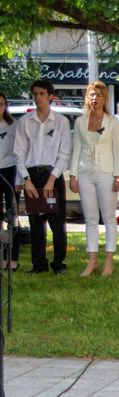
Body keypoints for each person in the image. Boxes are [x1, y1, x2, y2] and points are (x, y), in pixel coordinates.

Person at [14, 79, 71, 275]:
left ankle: (58, 264)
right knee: (36, 224)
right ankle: (39, 264)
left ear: (50, 96)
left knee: (57, 223)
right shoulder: (24, 122)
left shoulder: (61, 122)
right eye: (35, 94)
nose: (38, 98)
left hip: (52, 175)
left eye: (41, 94)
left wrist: (52, 179)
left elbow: (64, 154)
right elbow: (19, 153)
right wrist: (26, 179)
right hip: (32, 176)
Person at [70, 81, 119, 277]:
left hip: (106, 173)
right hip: (85, 172)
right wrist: (73, 174)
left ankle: (109, 261)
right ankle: (92, 261)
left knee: (109, 217)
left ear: (104, 99)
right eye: (92, 94)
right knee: (90, 219)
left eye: (99, 95)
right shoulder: (80, 122)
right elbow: (76, 148)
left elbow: (117, 150)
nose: (95, 98)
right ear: (88, 97)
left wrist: (117, 176)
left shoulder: (112, 122)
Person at [0, 92, 21, 271]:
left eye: (1, 104)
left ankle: (12, 258)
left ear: (5, 105)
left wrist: (19, 178)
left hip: (10, 171)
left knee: (12, 216)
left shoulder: (14, 125)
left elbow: (20, 152)